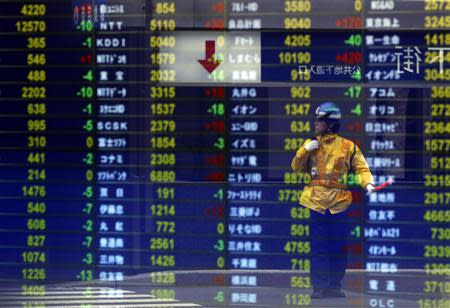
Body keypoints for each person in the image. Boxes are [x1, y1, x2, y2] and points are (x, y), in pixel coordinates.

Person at [291, 102, 375, 299]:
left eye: (319, 120)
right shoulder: (311, 144)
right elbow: (295, 166)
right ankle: (319, 287)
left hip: (339, 203)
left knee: (338, 247)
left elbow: (362, 168)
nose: (315, 124)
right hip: (317, 203)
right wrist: (304, 150)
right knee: (319, 247)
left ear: (330, 123)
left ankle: (335, 286)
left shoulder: (348, 146)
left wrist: (367, 184)